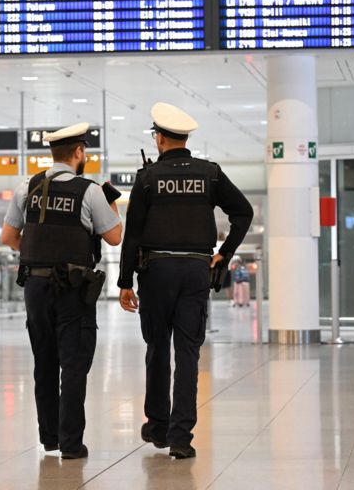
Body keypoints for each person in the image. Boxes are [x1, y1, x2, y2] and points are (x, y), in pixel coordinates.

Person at [117, 103, 253, 459]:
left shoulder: (147, 178)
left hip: (156, 271)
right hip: (196, 270)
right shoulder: (210, 173)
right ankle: (181, 438)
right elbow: (243, 212)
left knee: (157, 349)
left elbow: (132, 234)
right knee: (188, 352)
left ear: (159, 139)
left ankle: (158, 426)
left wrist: (124, 281)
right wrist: (224, 251)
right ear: (184, 138)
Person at [1, 122, 123, 460]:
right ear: (79, 152)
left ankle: (50, 437)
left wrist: (41, 250)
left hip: (35, 287)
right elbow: (114, 237)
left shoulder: (28, 187)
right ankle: (71, 443)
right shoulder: (91, 190)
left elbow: (9, 238)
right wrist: (112, 203)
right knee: (73, 363)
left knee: (45, 361)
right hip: (72, 289)